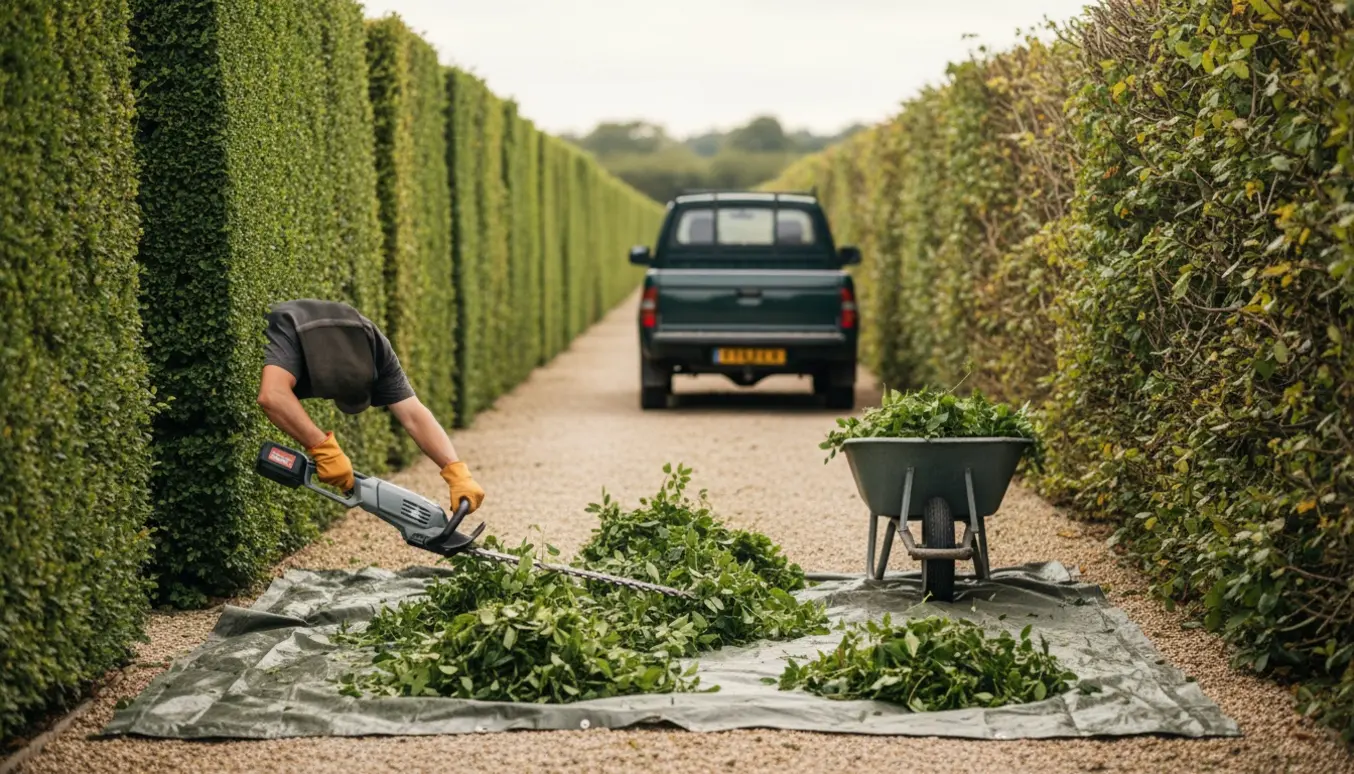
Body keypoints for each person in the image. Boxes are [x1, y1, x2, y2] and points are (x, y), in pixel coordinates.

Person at [255, 299, 485, 514]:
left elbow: (413, 415)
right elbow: (273, 396)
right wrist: (323, 449)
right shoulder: (288, 329)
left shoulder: (374, 346)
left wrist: (456, 471)